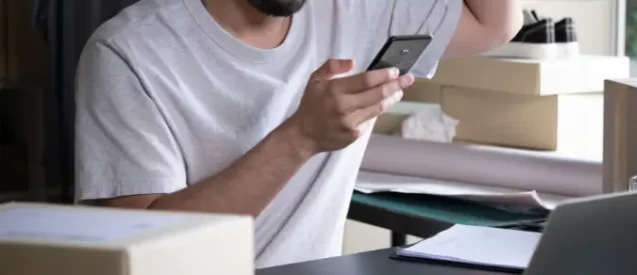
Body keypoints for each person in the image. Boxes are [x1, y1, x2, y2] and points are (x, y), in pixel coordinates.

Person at [74, 0, 521, 268]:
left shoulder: (354, 9)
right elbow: (139, 250)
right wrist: (301, 137)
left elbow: (495, 23)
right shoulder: (127, 52)